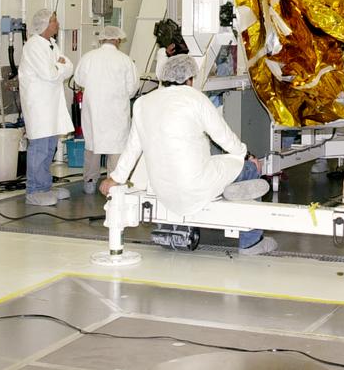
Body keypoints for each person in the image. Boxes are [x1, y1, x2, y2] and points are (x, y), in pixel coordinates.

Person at [99, 54, 277, 256]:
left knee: (218, 163)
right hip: (197, 185)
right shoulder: (195, 98)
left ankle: (228, 189)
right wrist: (248, 157)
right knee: (248, 168)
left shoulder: (142, 103)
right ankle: (251, 242)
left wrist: (115, 178)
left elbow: (132, 148)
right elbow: (224, 137)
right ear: (190, 78)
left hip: (162, 190)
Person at [19, 8, 75, 206]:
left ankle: (45, 186)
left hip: (51, 105)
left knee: (50, 147)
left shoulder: (51, 43)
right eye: (53, 20)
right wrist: (60, 67)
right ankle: (34, 190)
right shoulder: (33, 46)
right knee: (40, 148)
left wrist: (60, 66)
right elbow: (50, 74)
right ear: (43, 24)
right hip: (39, 106)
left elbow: (69, 66)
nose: (57, 24)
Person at [73, 26, 138, 195]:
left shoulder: (88, 57)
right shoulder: (125, 60)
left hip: (93, 110)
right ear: (117, 40)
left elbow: (79, 80)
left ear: (101, 39)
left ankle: (89, 182)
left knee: (92, 146)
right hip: (116, 112)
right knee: (116, 149)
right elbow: (132, 89)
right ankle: (114, 185)